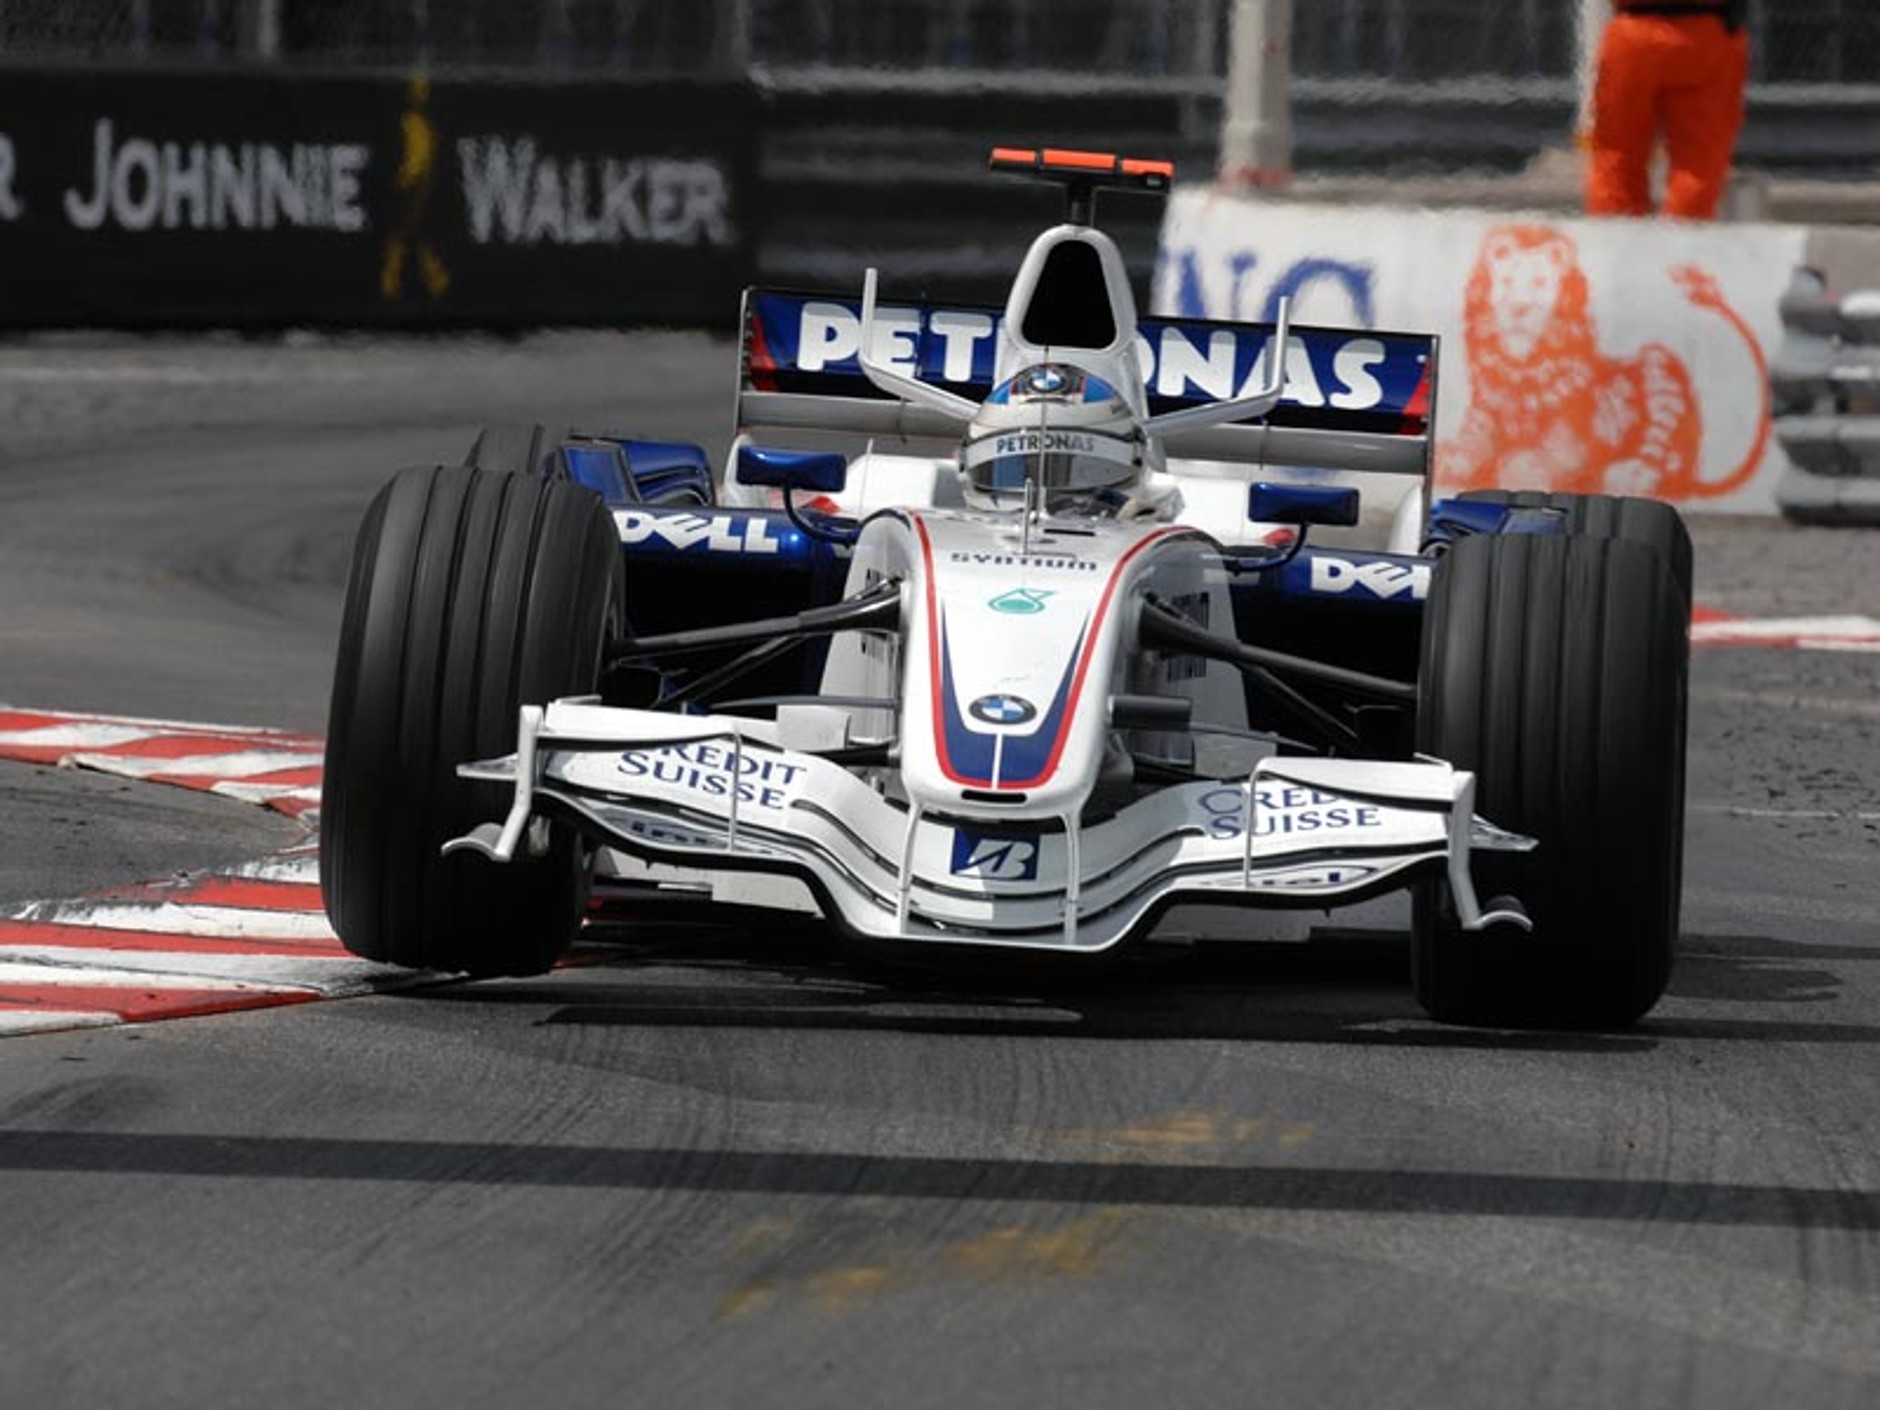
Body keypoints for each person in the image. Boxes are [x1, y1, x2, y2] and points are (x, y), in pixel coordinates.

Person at [1584, 1, 1750, 220]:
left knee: (1617, 156)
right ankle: (1682, 243)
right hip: (1708, 34)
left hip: (1634, 32)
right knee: (1699, 166)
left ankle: (1615, 239)